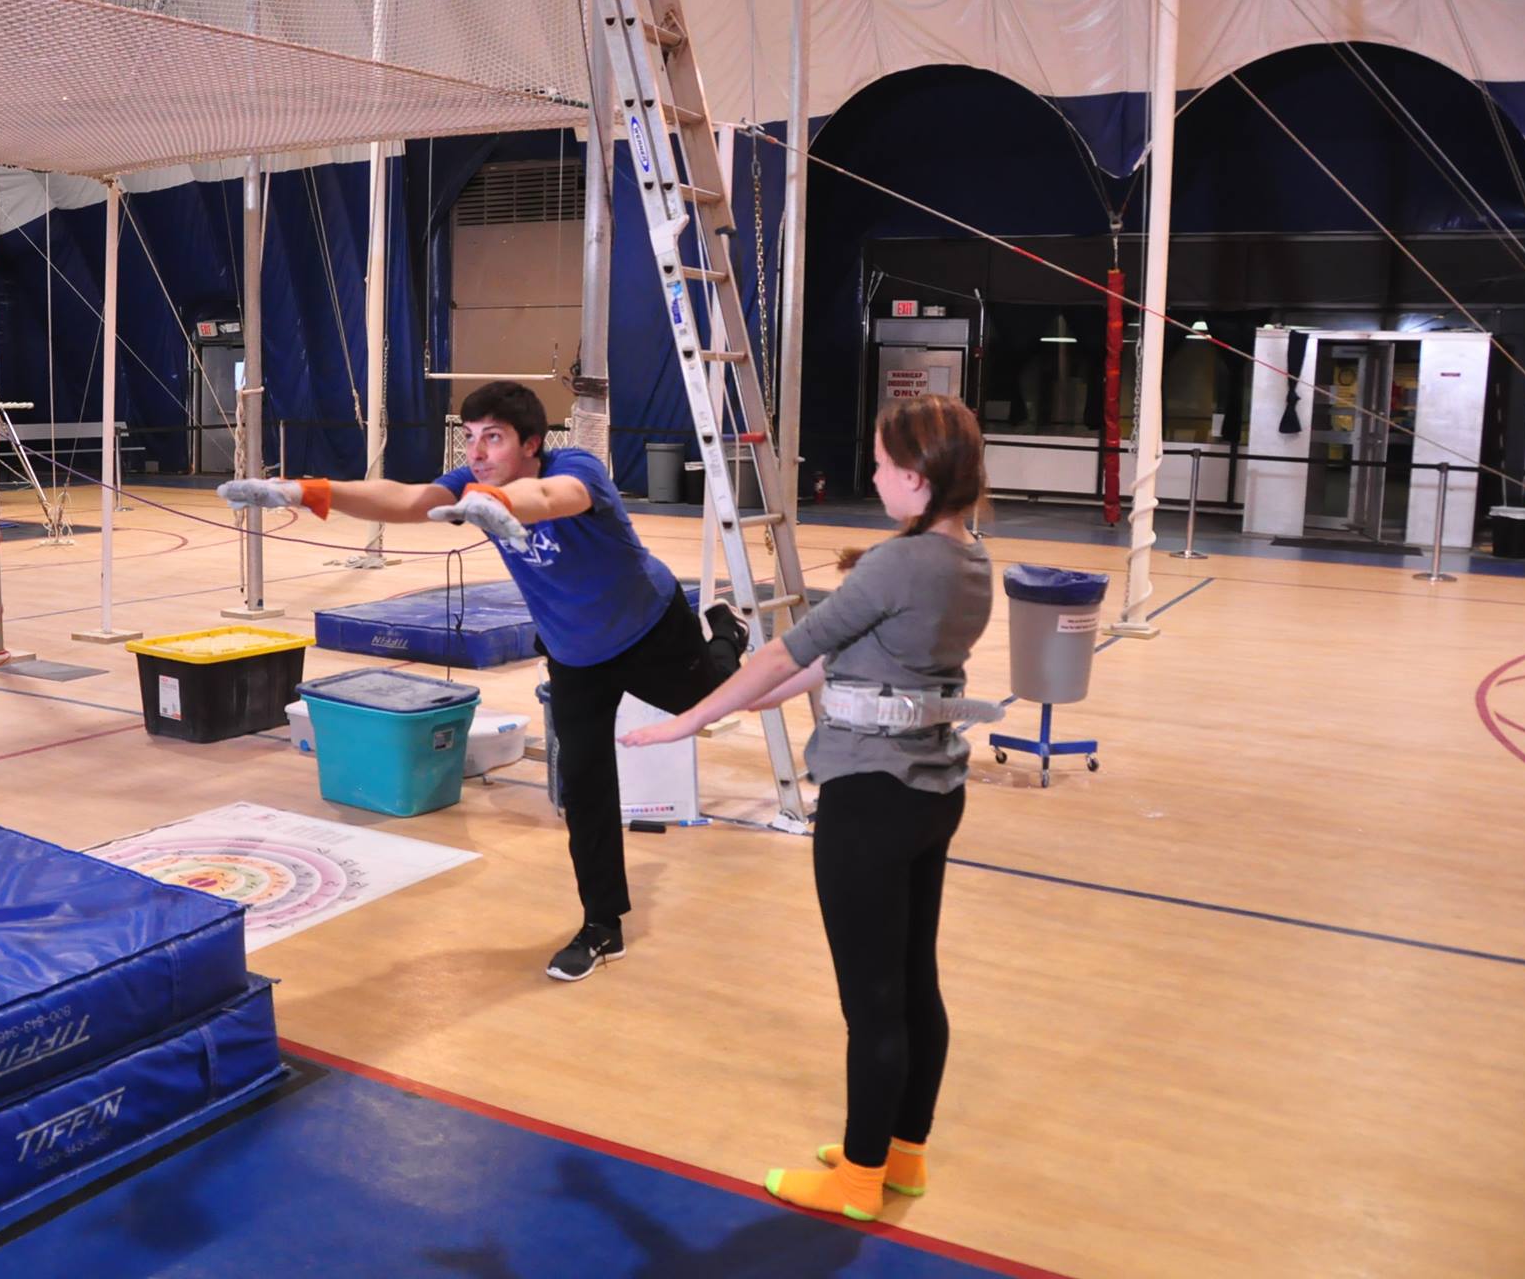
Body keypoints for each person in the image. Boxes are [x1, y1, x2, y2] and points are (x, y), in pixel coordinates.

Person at [217, 380, 747, 982]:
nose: (476, 452)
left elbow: (550, 496)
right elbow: (405, 498)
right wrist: (306, 490)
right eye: (469, 438)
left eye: (492, 438)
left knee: (712, 701)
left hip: (649, 627)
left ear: (531, 442)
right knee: (586, 790)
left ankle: (726, 631)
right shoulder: (472, 487)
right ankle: (603, 925)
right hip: (575, 657)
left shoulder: (578, 470)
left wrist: (500, 506)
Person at [620, 393, 993, 1220]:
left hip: (870, 798)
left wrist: (689, 719)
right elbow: (862, 659)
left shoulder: (899, 564)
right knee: (913, 980)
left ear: (916, 477)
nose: (871, 475)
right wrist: (771, 692)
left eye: (880, 464)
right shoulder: (969, 562)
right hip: (933, 790)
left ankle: (858, 1178)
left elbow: (793, 647)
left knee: (872, 1001)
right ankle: (904, 1156)